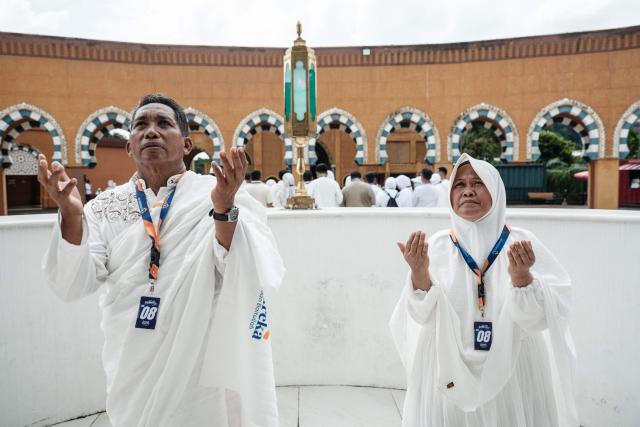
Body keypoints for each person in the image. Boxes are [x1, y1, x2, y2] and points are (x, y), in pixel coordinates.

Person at [39, 94, 285, 427]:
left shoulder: (216, 191)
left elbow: (242, 265)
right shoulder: (104, 206)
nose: (151, 132)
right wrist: (70, 214)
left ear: (186, 145)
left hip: (198, 354)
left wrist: (224, 208)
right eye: (141, 125)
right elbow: (73, 282)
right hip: (133, 357)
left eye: (163, 124)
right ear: (129, 147)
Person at [390, 153, 577, 427]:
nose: (467, 191)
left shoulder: (521, 242)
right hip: (446, 365)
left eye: (478, 183)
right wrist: (418, 273)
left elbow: (542, 319)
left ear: (496, 191)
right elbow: (422, 316)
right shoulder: (439, 245)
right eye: (459, 184)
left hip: (514, 368)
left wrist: (522, 278)